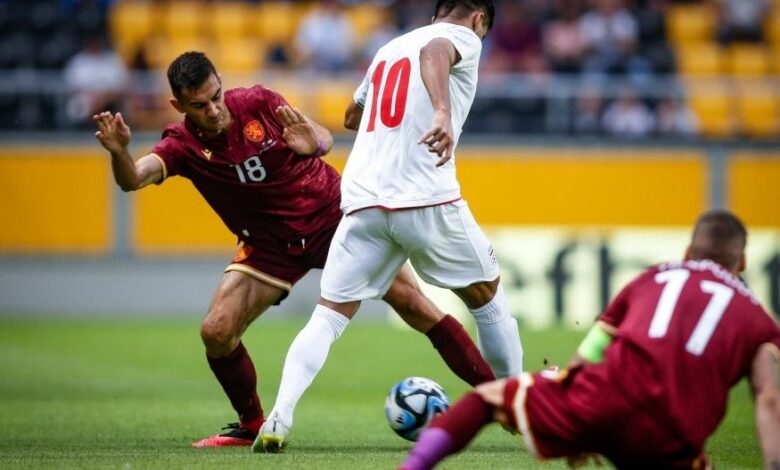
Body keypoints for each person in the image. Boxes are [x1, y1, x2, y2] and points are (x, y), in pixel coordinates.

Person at [93, 51, 498, 448]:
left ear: (222, 85)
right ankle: (252, 424)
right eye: (199, 105)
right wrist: (119, 153)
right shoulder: (181, 144)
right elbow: (132, 180)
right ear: (178, 105)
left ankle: (502, 399)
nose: (214, 110)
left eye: (216, 96)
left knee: (416, 306)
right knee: (216, 331)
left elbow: (320, 136)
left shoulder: (258, 102)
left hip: (334, 219)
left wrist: (316, 144)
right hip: (269, 244)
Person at [255, 0, 523, 453]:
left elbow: (351, 116)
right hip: (424, 195)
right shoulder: (459, 38)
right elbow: (435, 52)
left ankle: (278, 417)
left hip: (362, 202)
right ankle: (521, 403)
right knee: (487, 297)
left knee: (329, 315)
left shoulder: (388, 48)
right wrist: (440, 111)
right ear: (478, 19)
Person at [399, 209, 780, 470]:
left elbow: (593, 351)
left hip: (601, 401)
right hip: (670, 434)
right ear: (742, 264)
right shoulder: (760, 323)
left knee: (488, 398)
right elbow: (768, 397)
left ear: (687, 251)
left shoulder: (652, 278)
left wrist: (577, 413)